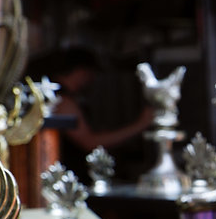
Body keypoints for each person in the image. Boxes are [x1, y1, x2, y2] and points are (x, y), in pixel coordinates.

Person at [32, 47, 155, 177]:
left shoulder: (64, 97)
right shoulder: (62, 101)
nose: (93, 79)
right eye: (92, 73)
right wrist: (140, 125)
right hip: (71, 176)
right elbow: (89, 142)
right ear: (81, 71)